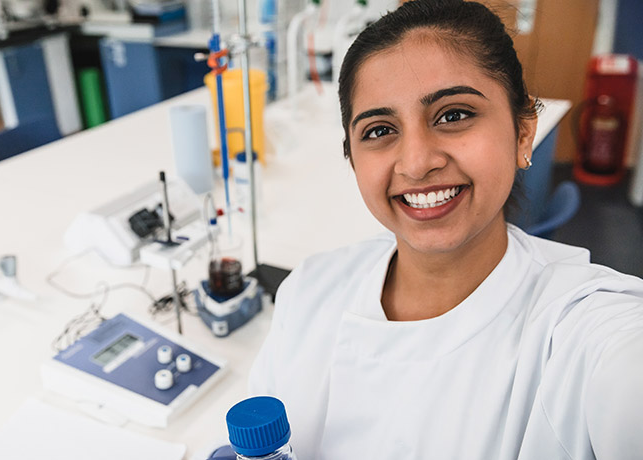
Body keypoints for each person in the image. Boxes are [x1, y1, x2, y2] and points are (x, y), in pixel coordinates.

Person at [248, 0, 643, 458]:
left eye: (453, 115)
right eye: (379, 130)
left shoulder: (583, 330)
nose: (416, 163)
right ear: (351, 158)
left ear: (522, 133)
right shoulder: (308, 293)